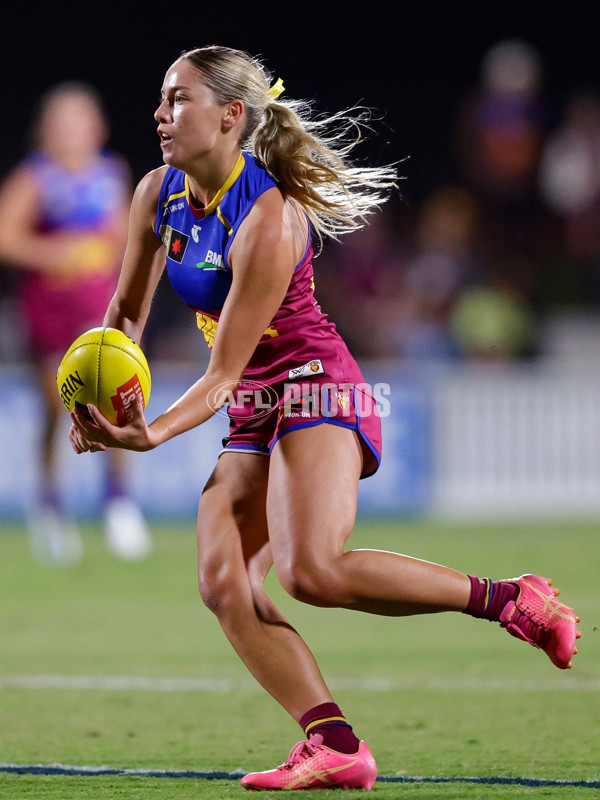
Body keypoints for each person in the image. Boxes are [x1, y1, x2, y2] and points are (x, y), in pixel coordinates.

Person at [68, 46, 581, 790]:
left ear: (230, 116)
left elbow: (223, 374)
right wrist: (99, 386)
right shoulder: (159, 193)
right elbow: (123, 317)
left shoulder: (271, 218)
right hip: (253, 402)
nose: (160, 114)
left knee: (313, 569)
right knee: (223, 581)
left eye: (178, 100)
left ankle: (512, 600)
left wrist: (148, 432)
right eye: (162, 98)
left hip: (313, 385)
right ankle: (334, 743)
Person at [0, 82, 152, 564]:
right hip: (48, 310)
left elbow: (125, 236)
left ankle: (119, 504)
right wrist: (56, 253)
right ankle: (49, 507)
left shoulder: (111, 173)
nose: (71, 132)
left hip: (101, 310)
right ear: (44, 132)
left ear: (97, 128)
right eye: (62, 123)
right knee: (58, 406)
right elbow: (6, 237)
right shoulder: (34, 178)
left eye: (80, 121)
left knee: (121, 404)